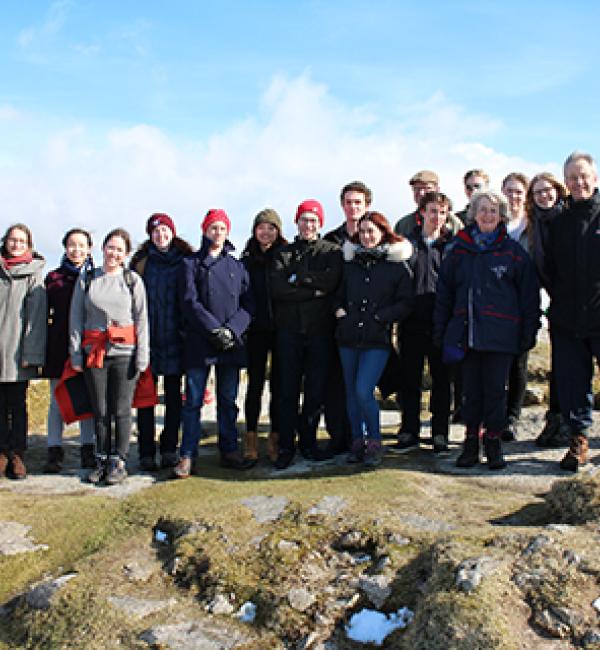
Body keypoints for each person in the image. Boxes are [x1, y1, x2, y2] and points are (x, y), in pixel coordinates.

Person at [434, 190, 540, 470]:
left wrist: (528, 332)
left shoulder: (513, 252)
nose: (487, 215)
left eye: (493, 210)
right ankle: (470, 445)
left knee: (495, 392)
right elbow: (444, 293)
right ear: (473, 214)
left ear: (502, 216)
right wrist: (441, 329)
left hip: (501, 336)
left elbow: (529, 296)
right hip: (465, 334)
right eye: (482, 210)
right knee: (470, 393)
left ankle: (493, 445)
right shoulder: (458, 250)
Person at [175, 209, 254, 477]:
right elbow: (189, 301)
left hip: (232, 342)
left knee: (228, 399)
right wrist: (213, 329)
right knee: (193, 401)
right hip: (200, 341)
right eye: (213, 228)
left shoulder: (238, 266)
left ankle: (229, 450)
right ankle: (187, 454)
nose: (217, 233)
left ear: (228, 232)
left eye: (222, 228)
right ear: (204, 230)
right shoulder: (190, 264)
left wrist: (231, 330)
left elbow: (248, 303)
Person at [69, 228, 149, 485]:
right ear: (102, 249)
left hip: (125, 352)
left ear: (126, 254)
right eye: (110, 247)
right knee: (100, 409)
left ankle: (119, 460)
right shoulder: (88, 278)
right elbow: (76, 318)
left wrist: (142, 355)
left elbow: (141, 319)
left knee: (121, 409)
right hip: (95, 352)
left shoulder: (132, 280)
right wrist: (76, 354)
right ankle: (101, 457)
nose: (113, 253)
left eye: (119, 249)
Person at [334, 212, 413, 465]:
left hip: (376, 340)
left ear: (383, 233)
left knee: (363, 390)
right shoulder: (349, 264)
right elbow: (335, 293)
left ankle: (375, 442)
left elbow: (407, 302)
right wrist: (339, 311)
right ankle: (357, 441)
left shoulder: (396, 266)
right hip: (347, 337)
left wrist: (383, 317)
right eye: (363, 231)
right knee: (349, 393)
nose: (367, 236)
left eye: (372, 231)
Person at [271, 199, 343, 469]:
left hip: (320, 333)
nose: (308, 225)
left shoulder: (331, 251)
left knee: (315, 392)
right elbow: (278, 289)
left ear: (320, 223)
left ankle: (309, 443)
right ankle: (286, 446)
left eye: (313, 220)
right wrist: (314, 290)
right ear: (297, 223)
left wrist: (299, 279)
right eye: (304, 220)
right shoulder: (283, 254)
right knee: (287, 392)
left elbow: (331, 281)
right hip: (289, 332)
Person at [544, 152, 600, 472]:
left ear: (595, 179)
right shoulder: (559, 222)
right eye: (573, 178)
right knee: (573, 384)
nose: (579, 183)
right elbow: (550, 269)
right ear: (565, 183)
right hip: (567, 319)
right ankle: (578, 442)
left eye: (584, 177)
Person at [130, 213, 193, 471]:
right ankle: (146, 451)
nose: (161, 235)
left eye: (165, 230)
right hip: (148, 340)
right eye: (155, 232)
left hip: (176, 340)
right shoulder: (141, 264)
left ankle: (169, 448)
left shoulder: (184, 261)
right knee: (146, 399)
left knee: (175, 399)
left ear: (173, 232)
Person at [396, 192, 453, 454]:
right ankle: (409, 429)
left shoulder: (452, 245)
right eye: (432, 211)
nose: (437, 217)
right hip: (411, 322)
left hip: (442, 322)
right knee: (410, 379)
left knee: (442, 380)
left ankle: (440, 432)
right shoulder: (407, 245)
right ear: (422, 213)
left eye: (442, 212)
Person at [323, 181, 373, 454]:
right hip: (337, 320)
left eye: (358, 202)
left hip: (368, 324)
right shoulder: (331, 240)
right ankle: (338, 436)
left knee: (363, 385)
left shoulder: (374, 236)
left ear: (367, 206)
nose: (353, 207)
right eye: (348, 202)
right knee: (336, 381)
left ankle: (364, 436)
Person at [43, 228, 95, 473]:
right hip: (58, 345)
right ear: (65, 247)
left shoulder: (97, 277)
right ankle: (54, 449)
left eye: (82, 245)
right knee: (57, 399)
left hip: (89, 346)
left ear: (89, 248)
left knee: (86, 398)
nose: (77, 250)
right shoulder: (53, 279)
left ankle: (88, 447)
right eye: (72, 245)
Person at [524, 173, 571, 448]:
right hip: (557, 303)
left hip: (581, 302)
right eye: (538, 192)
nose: (544, 196)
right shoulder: (536, 226)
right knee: (561, 365)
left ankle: (569, 423)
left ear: (558, 190)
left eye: (548, 190)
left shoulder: (566, 218)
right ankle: (555, 420)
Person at [241, 208, 287, 464]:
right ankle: (250, 436)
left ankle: (276, 437)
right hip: (255, 330)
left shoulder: (286, 255)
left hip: (281, 329)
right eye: (262, 227)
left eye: (271, 227)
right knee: (255, 385)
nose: (266, 232)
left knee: (279, 386)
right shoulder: (247, 259)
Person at [0, 224, 47, 479]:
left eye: (21, 241)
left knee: (17, 404)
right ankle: (1, 452)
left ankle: (18, 453)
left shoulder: (33, 274)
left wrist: (33, 355)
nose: (16, 244)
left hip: (19, 352)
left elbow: (36, 318)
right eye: (12, 240)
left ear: (28, 244)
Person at [500, 172, 531, 442]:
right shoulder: (496, 224)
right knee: (498, 362)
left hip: (526, 302)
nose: (514, 196)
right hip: (498, 304)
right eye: (509, 191)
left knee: (519, 363)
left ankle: (513, 416)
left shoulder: (533, 226)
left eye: (519, 191)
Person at [394, 170, 463, 237]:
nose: (421, 193)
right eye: (417, 189)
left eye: (426, 188)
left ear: (437, 190)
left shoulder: (453, 223)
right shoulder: (404, 224)